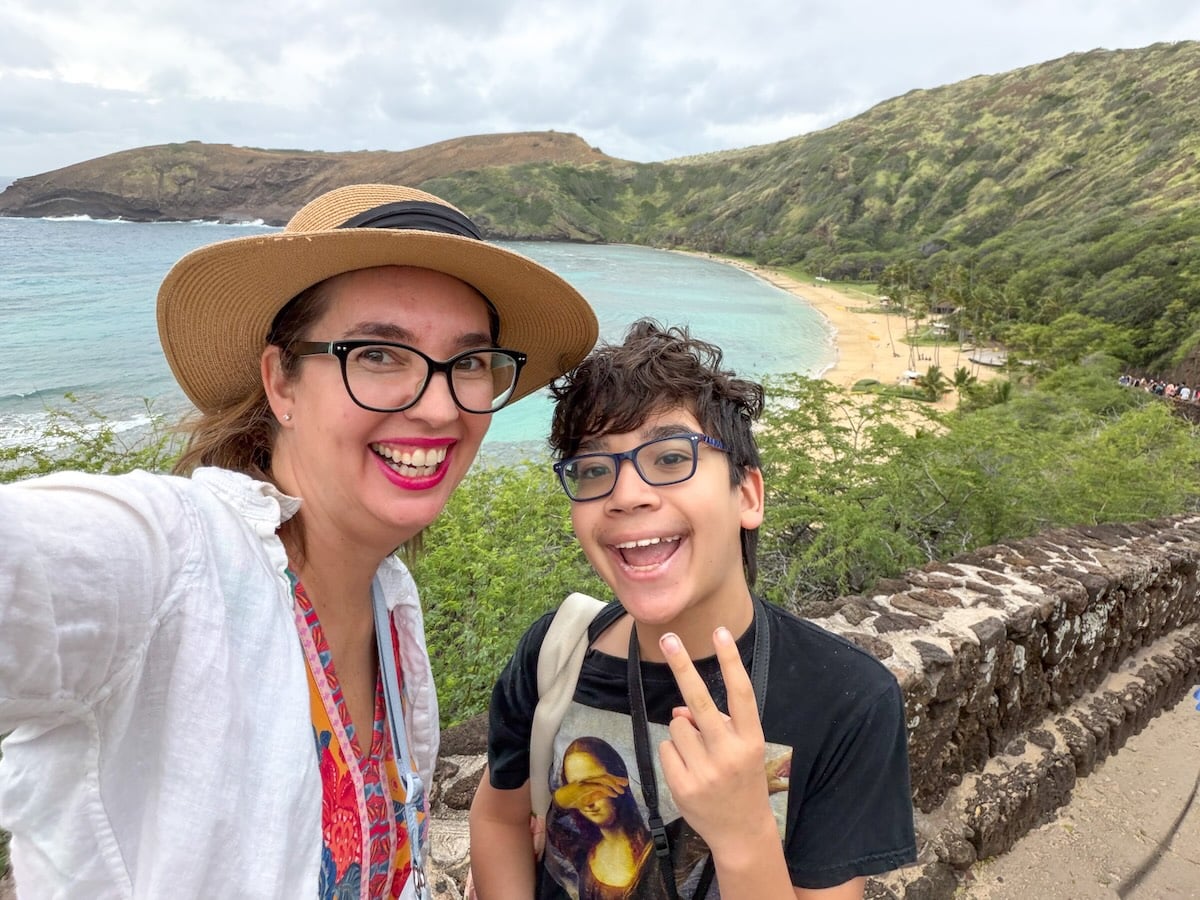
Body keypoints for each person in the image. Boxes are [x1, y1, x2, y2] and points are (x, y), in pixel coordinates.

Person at [0, 183, 598, 899]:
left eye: (469, 363)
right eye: (379, 354)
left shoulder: (388, 604)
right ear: (279, 380)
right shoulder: (172, 560)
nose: (440, 406)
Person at [470, 320, 916, 899]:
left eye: (670, 457)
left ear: (747, 495)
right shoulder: (558, 651)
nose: (626, 494)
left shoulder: (846, 700)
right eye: (594, 469)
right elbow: (499, 818)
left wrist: (743, 833)